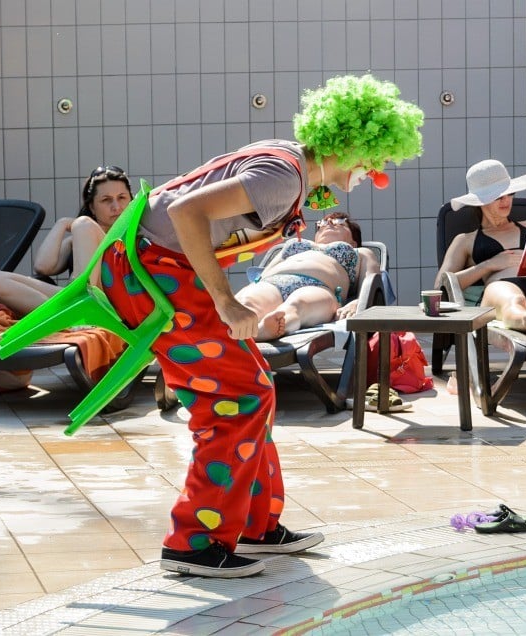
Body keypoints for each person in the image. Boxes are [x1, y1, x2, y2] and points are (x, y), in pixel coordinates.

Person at [99, 74, 423, 578]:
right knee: (239, 396)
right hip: (150, 272)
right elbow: (188, 212)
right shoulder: (285, 175)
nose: (377, 172)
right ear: (356, 144)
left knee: (255, 389)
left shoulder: (291, 167)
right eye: (376, 159)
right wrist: (225, 301)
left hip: (156, 268)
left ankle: (255, 524)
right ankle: (193, 542)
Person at [0, 166, 133, 316]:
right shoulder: (82, 234)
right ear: (92, 207)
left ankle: (78, 306)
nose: (116, 207)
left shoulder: (139, 235)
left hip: (112, 304)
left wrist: (82, 225)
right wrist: (62, 223)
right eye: (106, 200)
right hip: (76, 300)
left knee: (84, 224)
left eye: (122, 198)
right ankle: (66, 315)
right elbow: (43, 267)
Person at [235, 212, 382, 341]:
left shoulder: (361, 252)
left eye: (339, 222)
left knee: (298, 304)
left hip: (319, 286)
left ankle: (266, 329)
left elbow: (372, 282)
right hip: (274, 281)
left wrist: (358, 302)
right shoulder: (297, 244)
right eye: (323, 223)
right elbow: (265, 273)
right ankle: (238, 329)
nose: (329, 223)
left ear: (353, 242)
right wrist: (254, 287)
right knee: (247, 302)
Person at [434, 159, 526, 331]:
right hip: (500, 289)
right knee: (513, 300)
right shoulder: (465, 240)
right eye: (498, 196)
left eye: (510, 194)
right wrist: (489, 265)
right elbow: (441, 287)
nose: (506, 200)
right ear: (480, 201)